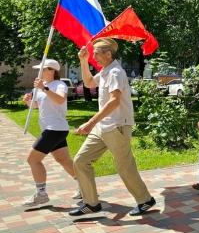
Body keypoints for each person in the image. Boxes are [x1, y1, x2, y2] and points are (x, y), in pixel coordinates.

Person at [70, 38, 156, 216]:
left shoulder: (116, 72)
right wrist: (83, 61)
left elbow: (114, 101)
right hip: (102, 127)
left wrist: (90, 122)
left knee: (124, 167)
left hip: (117, 127)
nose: (94, 57)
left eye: (96, 54)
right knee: (80, 160)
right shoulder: (104, 72)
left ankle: (145, 200)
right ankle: (91, 203)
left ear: (108, 54)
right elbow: (87, 83)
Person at [21, 59, 78, 207]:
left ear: (52, 71)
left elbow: (60, 100)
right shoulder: (39, 87)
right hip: (51, 128)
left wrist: (44, 89)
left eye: (43, 69)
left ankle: (41, 194)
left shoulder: (59, 85)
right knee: (64, 160)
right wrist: (28, 101)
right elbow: (36, 106)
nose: (39, 72)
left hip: (55, 128)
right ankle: (85, 187)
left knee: (32, 160)